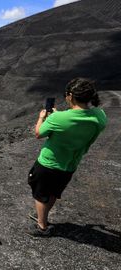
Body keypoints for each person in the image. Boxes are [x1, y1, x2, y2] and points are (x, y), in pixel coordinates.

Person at [26, 78, 107, 237]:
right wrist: (58, 116)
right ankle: (43, 215)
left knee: (40, 193)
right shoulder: (100, 116)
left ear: (70, 96)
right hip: (70, 164)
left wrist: (43, 117)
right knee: (54, 192)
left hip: (48, 163)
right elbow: (76, 124)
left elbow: (39, 133)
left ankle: (42, 226)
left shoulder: (58, 118)